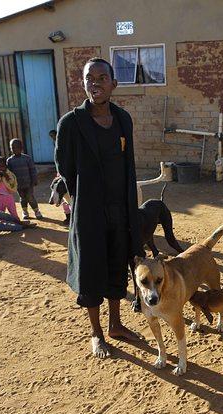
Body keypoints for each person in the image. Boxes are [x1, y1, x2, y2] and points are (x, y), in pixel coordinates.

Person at [55, 57, 144, 358]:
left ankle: (115, 324)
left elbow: (128, 164)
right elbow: (63, 166)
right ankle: (96, 332)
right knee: (92, 270)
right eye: (89, 78)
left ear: (113, 84)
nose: (95, 82)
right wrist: (83, 195)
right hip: (89, 212)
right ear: (83, 83)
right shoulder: (71, 123)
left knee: (117, 264)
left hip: (120, 209)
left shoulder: (123, 119)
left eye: (102, 77)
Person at [7, 138, 42, 220]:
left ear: (21, 148)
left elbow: (32, 170)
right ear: (10, 149)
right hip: (18, 185)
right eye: (13, 147)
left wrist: (34, 180)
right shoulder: (10, 161)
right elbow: (10, 174)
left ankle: (36, 211)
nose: (15, 149)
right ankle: (25, 211)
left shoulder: (27, 158)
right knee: (22, 198)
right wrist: (11, 184)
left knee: (30, 197)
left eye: (17, 147)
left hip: (29, 183)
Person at [49, 129, 71, 224]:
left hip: (68, 172)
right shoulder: (56, 146)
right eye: (52, 137)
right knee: (64, 199)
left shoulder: (67, 145)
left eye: (55, 136)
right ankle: (68, 217)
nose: (54, 139)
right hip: (61, 172)